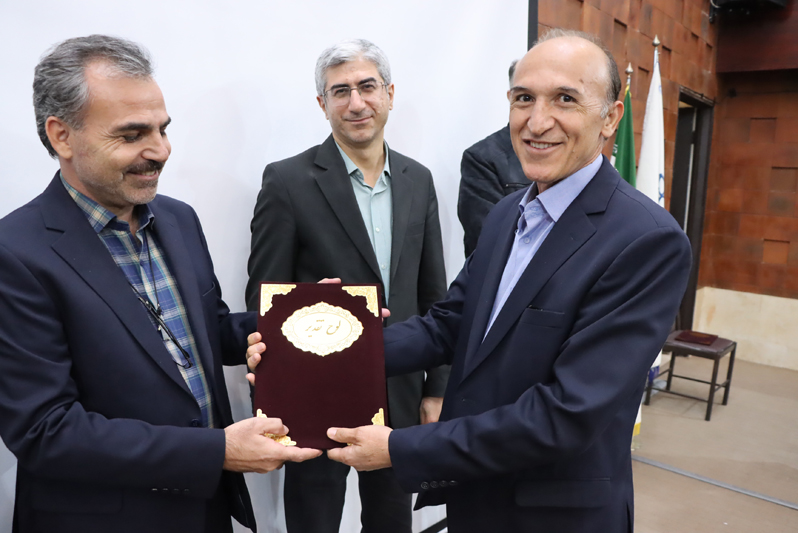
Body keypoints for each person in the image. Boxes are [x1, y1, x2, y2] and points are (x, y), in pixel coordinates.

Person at [310, 29, 693, 532]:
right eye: (523, 99)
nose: (537, 121)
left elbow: (566, 413)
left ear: (610, 118)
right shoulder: (508, 213)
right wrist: (323, 349)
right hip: (475, 498)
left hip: (554, 517)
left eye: (565, 99)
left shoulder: (646, 241)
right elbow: (447, 326)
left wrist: (401, 448)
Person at [0, 35, 320, 533]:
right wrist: (216, 451)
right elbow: (47, 430)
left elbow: (208, 330)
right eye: (132, 135)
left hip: (205, 508)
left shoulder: (177, 219)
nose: (160, 151)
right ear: (62, 136)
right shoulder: (15, 252)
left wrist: (305, 316)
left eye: (163, 129)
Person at [245, 38, 448, 533]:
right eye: (340, 92)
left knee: (392, 520)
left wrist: (438, 388)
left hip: (399, 388)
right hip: (314, 389)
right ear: (323, 103)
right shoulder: (288, 181)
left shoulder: (419, 180)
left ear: (389, 94)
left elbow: (434, 294)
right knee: (313, 519)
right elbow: (265, 297)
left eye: (367, 87)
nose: (356, 103)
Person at [457, 60, 529, 257]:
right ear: (511, 97)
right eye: (526, 97)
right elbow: (488, 245)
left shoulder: (568, 154)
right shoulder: (482, 158)